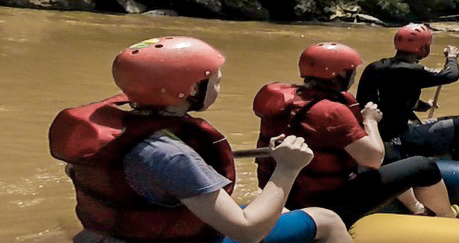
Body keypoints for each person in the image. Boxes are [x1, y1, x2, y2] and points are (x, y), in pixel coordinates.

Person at [48, 36, 351, 243]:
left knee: (283, 211)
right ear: (191, 90)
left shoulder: (109, 132)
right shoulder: (171, 155)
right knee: (325, 219)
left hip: (115, 234)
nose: (218, 85)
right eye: (214, 81)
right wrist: (288, 167)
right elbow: (247, 233)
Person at [253, 42, 459, 226]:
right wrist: (370, 121)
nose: (354, 76)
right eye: (351, 71)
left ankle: (417, 208)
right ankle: (447, 217)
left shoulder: (286, 100)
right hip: (324, 202)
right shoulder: (331, 111)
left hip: (283, 195)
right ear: (340, 75)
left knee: (391, 153)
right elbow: (374, 159)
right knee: (422, 166)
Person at [355, 23, 459, 160]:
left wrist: (424, 106)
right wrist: (452, 58)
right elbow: (451, 75)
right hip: (399, 136)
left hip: (377, 132)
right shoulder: (412, 70)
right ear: (424, 48)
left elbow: (392, 99)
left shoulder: (374, 67)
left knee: (420, 122)